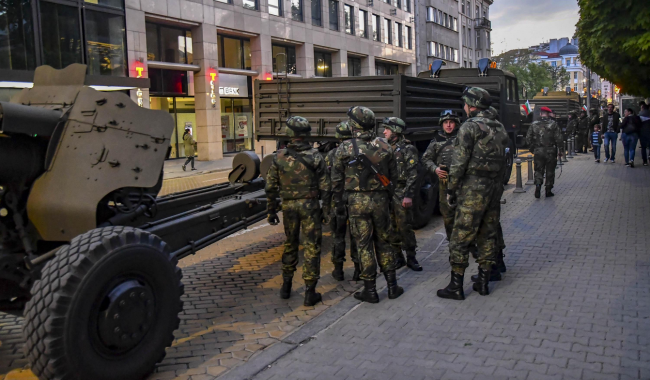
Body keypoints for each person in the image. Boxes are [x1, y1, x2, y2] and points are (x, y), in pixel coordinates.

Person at [437, 87, 509, 300]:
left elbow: (459, 162)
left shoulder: (469, 127)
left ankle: (455, 286)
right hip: (493, 188)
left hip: (473, 189)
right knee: (488, 234)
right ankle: (484, 282)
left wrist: (451, 188)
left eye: (466, 104)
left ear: (472, 105)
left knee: (460, 237)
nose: (465, 107)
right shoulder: (499, 127)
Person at [332, 106, 404, 303]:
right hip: (380, 201)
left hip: (356, 203)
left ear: (354, 125)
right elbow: (394, 178)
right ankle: (392, 286)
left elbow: (336, 182)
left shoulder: (345, 148)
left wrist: (338, 203)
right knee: (384, 242)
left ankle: (370, 290)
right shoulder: (385, 146)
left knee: (364, 245)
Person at [265, 116, 331, 306]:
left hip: (289, 206)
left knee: (290, 243)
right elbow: (326, 187)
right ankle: (310, 291)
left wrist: (271, 210)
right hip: (310, 206)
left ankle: (286, 286)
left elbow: (270, 186)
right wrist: (326, 210)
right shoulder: (316, 156)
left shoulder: (278, 157)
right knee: (311, 246)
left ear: (290, 134)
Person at [383, 117, 422, 272]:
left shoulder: (408, 149)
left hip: (401, 192)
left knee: (404, 226)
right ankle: (398, 257)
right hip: (388, 192)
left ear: (396, 131)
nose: (384, 131)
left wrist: (408, 195)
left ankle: (411, 257)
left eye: (387, 129)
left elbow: (413, 175)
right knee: (391, 227)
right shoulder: (385, 148)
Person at [326, 122, 359, 281]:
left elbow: (327, 182)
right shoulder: (360, 152)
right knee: (356, 235)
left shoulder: (332, 154)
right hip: (354, 199)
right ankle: (358, 269)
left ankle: (338, 270)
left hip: (337, 200)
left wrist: (326, 205)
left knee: (338, 236)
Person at [422, 110, 461, 241]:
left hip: (461, 183)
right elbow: (425, 159)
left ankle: (468, 245)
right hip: (444, 184)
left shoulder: (462, 139)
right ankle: (452, 243)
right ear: (442, 124)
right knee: (448, 215)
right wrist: (435, 169)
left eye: (451, 122)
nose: (449, 125)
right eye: (446, 122)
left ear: (456, 124)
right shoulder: (436, 141)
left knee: (464, 215)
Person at [525, 106, 563, 198]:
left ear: (541, 113)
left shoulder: (534, 124)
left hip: (538, 151)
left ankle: (538, 186)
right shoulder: (553, 124)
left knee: (538, 170)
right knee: (550, 171)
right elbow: (559, 138)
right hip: (551, 151)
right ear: (548, 114)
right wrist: (560, 150)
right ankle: (548, 190)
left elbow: (528, 139)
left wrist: (533, 149)